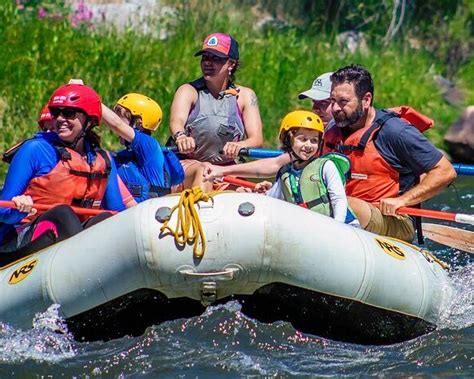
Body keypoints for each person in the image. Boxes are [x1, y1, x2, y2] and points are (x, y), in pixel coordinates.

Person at [324, 64, 457, 242]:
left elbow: (446, 171)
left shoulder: (395, 131)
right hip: (346, 211)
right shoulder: (333, 128)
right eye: (332, 101)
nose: (335, 108)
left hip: (395, 220)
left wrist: (403, 200)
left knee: (343, 203)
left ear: (366, 100)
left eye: (343, 102)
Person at [0, 82, 126, 261]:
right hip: (23, 241)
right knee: (63, 214)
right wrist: (18, 209)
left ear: (89, 121)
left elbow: (117, 214)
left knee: (104, 219)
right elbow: (3, 211)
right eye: (56, 113)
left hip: (74, 241)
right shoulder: (35, 150)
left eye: (68, 113)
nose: (59, 119)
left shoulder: (102, 160)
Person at [204, 110, 359, 226]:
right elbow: (271, 201)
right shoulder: (286, 174)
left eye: (314, 141)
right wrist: (254, 194)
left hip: (343, 227)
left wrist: (338, 227)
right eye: (302, 139)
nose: (308, 145)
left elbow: (338, 199)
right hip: (315, 231)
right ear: (288, 139)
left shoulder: (326, 166)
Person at [169, 32, 263, 191]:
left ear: (231, 64)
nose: (208, 63)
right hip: (189, 164)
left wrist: (240, 145)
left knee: (249, 192)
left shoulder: (246, 96)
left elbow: (257, 139)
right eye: (205, 58)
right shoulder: (188, 91)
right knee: (204, 170)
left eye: (216, 59)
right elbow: (176, 122)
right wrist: (181, 136)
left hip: (227, 168)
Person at [202, 71, 335, 179]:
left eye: (324, 103)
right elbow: (275, 163)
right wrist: (223, 170)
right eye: (314, 102)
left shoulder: (342, 135)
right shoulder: (313, 134)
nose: (316, 108)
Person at [101, 93, 184, 203]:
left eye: (120, 117)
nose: (117, 121)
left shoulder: (148, 145)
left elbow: (116, 124)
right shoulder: (123, 155)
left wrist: (89, 97)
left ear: (138, 123)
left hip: (149, 213)